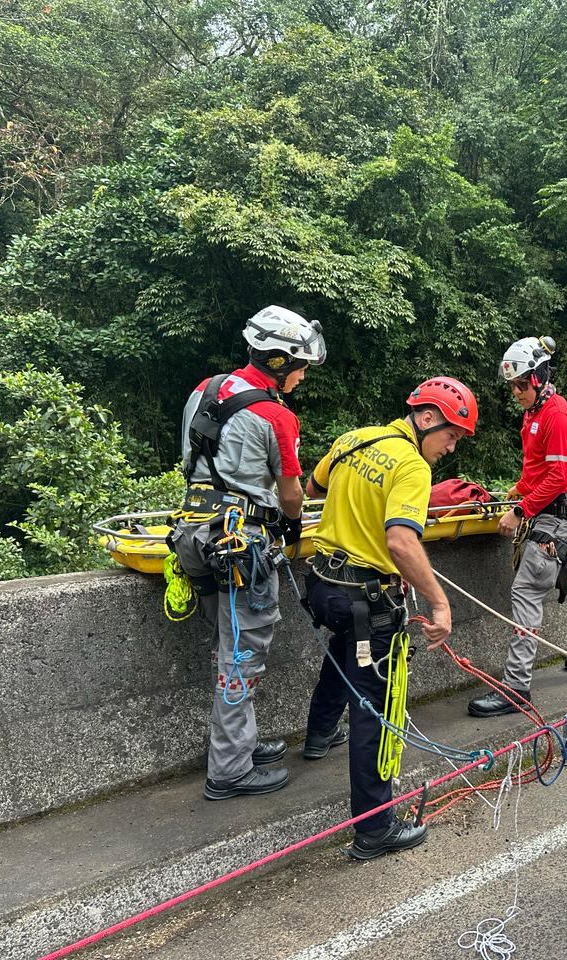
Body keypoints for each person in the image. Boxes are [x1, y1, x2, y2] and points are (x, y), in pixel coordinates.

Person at [302, 377, 477, 860]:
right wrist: (440, 603)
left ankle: (318, 734)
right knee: (374, 711)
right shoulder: (412, 467)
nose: (451, 446)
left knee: (343, 652)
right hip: (365, 598)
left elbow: (312, 487)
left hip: (322, 586)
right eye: (451, 434)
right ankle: (374, 828)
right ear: (426, 418)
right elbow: (401, 541)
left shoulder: (352, 439)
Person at [171, 304, 325, 801]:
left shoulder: (207, 389)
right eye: (299, 366)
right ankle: (230, 771)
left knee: (229, 647)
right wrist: (294, 525)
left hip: (194, 534)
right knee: (241, 655)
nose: (302, 376)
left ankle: (241, 743)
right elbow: (291, 493)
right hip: (241, 546)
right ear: (279, 361)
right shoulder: (275, 415)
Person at [468, 336, 567, 718]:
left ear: (540, 376)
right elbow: (537, 471)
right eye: (512, 386)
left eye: (521, 384)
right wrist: (514, 492)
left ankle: (516, 688)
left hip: (556, 517)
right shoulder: (534, 414)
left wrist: (520, 509)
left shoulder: (557, 414)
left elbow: (561, 476)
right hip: (553, 514)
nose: (515, 392)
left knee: (527, 591)